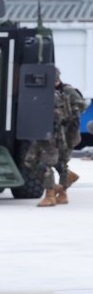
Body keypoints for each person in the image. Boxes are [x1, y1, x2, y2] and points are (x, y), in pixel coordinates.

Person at [24, 78, 68, 208]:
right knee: (29, 161)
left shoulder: (54, 96)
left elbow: (61, 116)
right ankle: (55, 187)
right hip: (39, 134)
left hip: (51, 136)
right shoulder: (39, 95)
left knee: (46, 165)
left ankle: (50, 196)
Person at [55, 67, 87, 204]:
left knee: (62, 161)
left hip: (68, 133)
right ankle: (69, 177)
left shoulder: (67, 90)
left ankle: (63, 194)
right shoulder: (53, 91)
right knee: (55, 161)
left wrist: (68, 114)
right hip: (57, 132)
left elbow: (81, 104)